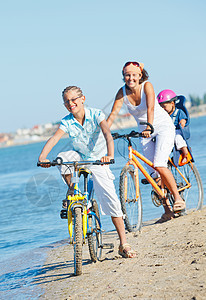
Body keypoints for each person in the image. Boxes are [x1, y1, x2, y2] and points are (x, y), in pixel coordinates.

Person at [38, 85, 136, 258]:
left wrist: (109, 155)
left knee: (111, 200)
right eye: (67, 101)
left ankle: (124, 243)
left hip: (98, 159)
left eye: (74, 99)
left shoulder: (96, 114)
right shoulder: (67, 121)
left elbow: (106, 132)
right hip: (80, 157)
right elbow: (54, 138)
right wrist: (43, 157)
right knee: (62, 157)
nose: (71, 103)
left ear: (82, 99)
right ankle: (72, 188)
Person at [107, 61, 185, 223]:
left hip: (162, 127)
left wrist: (149, 126)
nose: (130, 78)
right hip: (144, 131)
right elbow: (113, 114)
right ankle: (167, 210)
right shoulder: (121, 93)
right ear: (123, 76)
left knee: (159, 164)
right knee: (152, 173)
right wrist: (105, 132)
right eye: (127, 75)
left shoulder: (147, 86)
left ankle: (178, 198)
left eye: (134, 75)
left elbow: (150, 108)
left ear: (140, 75)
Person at [157, 89, 189, 164]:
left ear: (172, 103)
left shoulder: (179, 112)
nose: (163, 109)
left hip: (177, 131)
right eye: (161, 107)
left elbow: (184, 119)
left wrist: (182, 121)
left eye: (164, 107)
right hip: (167, 133)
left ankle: (185, 153)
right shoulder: (163, 115)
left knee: (177, 138)